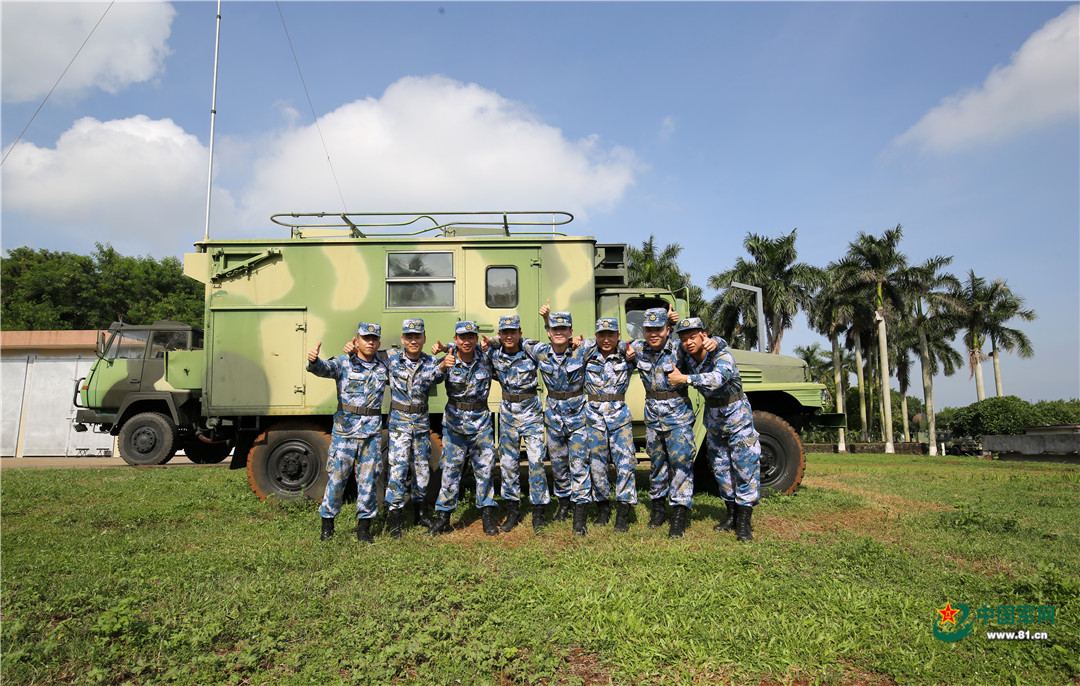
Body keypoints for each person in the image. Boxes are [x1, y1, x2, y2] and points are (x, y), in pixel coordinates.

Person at [348, 319, 445, 538]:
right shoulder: (390, 359)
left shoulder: (430, 362)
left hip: (421, 425)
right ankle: (395, 520)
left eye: (417, 336)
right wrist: (352, 350)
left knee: (421, 471)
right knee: (398, 471)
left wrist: (444, 352)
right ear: (402, 339)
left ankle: (421, 514)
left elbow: (440, 374)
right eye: (409, 337)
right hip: (399, 425)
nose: (413, 340)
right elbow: (366, 354)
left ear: (424, 338)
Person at [668, 317, 762, 541]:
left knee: (745, 469)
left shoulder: (722, 355)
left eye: (693, 337)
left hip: (737, 418)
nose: (688, 342)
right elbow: (662, 347)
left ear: (703, 335)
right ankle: (731, 515)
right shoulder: (688, 359)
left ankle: (744, 523)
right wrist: (669, 325)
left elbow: (717, 379)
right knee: (721, 470)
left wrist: (685, 379)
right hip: (714, 420)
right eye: (683, 339)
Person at [307, 322, 389, 543]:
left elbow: (406, 357)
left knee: (368, 480)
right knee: (337, 478)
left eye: (374, 338)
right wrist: (313, 360)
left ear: (378, 342)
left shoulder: (383, 365)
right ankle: (327, 526)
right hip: (345, 432)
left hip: (371, 434)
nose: (370, 342)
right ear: (357, 340)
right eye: (365, 338)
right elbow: (323, 368)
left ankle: (364, 528)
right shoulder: (343, 363)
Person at [629, 306, 697, 538]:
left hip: (678, 419)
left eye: (658, 328)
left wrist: (715, 342)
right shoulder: (638, 349)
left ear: (668, 329)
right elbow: (612, 343)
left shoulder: (680, 348)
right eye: (649, 329)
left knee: (681, 464)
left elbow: (709, 342)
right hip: (653, 419)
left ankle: (678, 515)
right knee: (657, 465)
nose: (653, 333)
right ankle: (658, 511)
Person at [429, 321, 499, 536]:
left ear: (476, 339)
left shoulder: (486, 359)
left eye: (471, 337)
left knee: (485, 471)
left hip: (481, 424)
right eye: (462, 337)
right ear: (456, 339)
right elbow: (430, 378)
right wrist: (442, 365)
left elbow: (508, 348)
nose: (466, 341)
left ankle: (487, 516)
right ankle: (443, 517)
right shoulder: (448, 360)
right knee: (450, 471)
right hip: (455, 425)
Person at [482, 314, 551, 533]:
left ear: (520, 333)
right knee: (508, 464)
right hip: (508, 414)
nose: (509, 336)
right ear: (500, 335)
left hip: (531, 414)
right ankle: (513, 511)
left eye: (513, 332)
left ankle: (539, 512)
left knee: (536, 461)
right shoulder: (494, 354)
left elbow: (554, 346)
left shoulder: (530, 351)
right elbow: (474, 351)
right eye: (505, 332)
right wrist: (492, 342)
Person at [582, 317, 638, 533]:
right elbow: (572, 345)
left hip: (619, 416)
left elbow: (652, 345)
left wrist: (626, 346)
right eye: (601, 334)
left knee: (625, 463)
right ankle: (603, 509)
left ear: (618, 336)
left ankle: (623, 513)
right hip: (594, 416)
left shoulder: (628, 355)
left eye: (611, 335)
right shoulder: (588, 355)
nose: (606, 339)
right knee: (596, 465)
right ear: (596, 336)